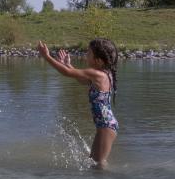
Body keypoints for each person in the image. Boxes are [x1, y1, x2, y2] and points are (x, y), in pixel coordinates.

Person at [37, 38, 119, 168]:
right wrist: (67, 64)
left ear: (98, 60)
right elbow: (80, 79)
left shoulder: (97, 74)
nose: (86, 55)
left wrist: (47, 57)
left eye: (89, 53)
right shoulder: (103, 74)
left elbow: (67, 73)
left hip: (106, 127)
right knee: (94, 162)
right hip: (105, 126)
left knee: (99, 164)